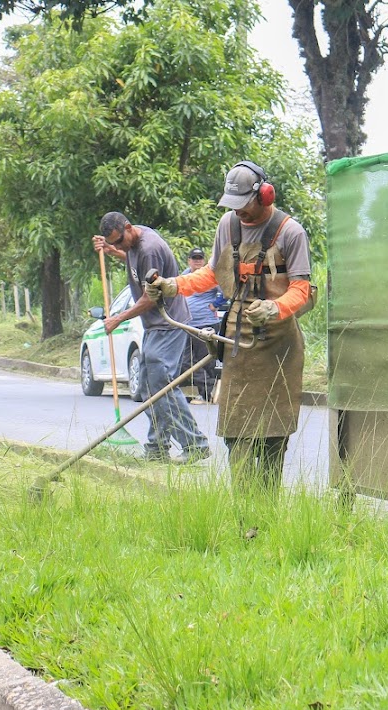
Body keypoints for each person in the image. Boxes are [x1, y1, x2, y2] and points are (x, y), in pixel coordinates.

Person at [146, 161, 314, 488]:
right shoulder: (228, 226)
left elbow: (302, 288)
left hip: (279, 344)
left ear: (264, 195)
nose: (239, 213)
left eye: (244, 205)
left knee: (272, 437)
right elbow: (213, 273)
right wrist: (174, 285)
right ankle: (242, 510)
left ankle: (266, 511)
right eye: (233, 206)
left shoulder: (290, 232)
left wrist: (275, 308)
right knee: (236, 433)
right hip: (238, 342)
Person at [93, 213, 211, 463]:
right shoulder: (135, 241)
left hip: (168, 323)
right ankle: (157, 447)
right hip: (155, 326)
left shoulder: (149, 248)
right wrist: (113, 252)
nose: (119, 246)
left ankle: (195, 444)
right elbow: (137, 266)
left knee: (163, 386)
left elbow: (151, 297)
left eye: (119, 241)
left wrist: (118, 318)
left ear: (127, 227)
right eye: (113, 243)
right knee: (148, 387)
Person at [179, 247, 225, 404]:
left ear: (204, 260)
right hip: (187, 324)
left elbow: (226, 290)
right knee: (185, 361)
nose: (197, 261)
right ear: (189, 260)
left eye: (200, 258)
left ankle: (207, 394)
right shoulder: (185, 275)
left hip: (206, 322)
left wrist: (216, 304)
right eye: (194, 258)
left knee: (206, 359)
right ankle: (210, 387)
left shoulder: (210, 275)